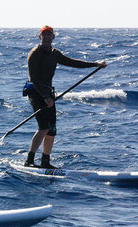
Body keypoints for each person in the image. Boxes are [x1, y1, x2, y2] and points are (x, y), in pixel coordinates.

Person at [24, 25, 106, 169]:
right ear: (40, 37)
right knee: (43, 127)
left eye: (49, 35)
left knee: (52, 130)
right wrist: (45, 97)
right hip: (36, 93)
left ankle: (45, 161)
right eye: (44, 35)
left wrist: (95, 64)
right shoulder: (34, 53)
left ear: (53, 37)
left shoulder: (55, 53)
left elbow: (73, 62)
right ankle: (29, 160)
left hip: (49, 94)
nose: (47, 37)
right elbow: (34, 78)